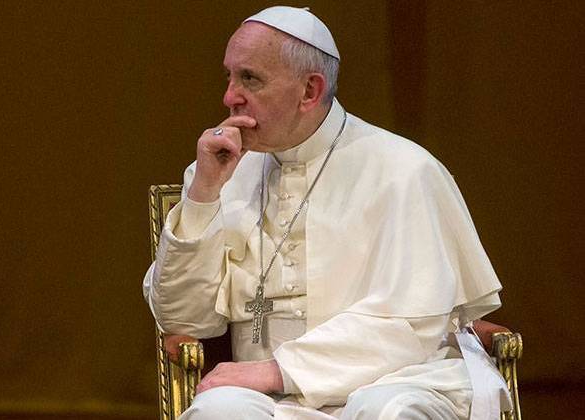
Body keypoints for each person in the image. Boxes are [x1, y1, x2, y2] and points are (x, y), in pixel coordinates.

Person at [143, 6, 511, 420]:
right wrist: (204, 195)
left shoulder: (404, 169)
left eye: (250, 79)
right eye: (228, 76)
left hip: (398, 379)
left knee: (389, 413)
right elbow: (182, 319)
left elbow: (409, 326)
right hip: (268, 399)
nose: (230, 96)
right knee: (219, 412)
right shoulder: (221, 171)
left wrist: (277, 370)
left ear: (310, 91)